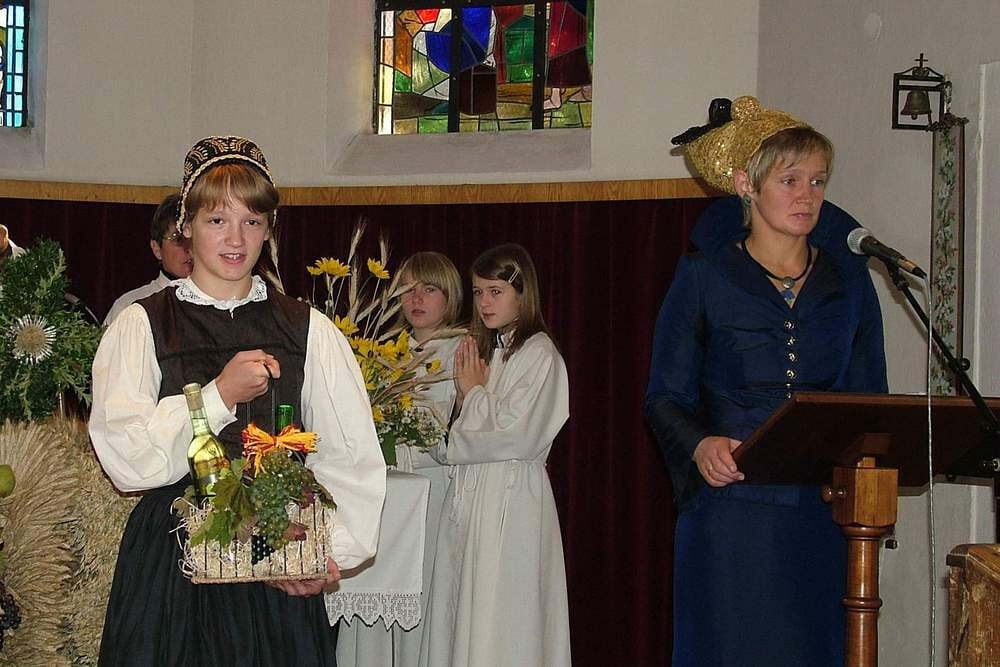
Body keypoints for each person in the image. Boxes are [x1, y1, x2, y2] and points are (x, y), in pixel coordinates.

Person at [89, 136, 386, 666]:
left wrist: (323, 553)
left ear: (269, 228)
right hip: (175, 569)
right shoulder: (142, 325)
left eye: (252, 221)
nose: (235, 239)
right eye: (216, 220)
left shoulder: (307, 329)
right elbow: (128, 462)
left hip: (276, 557)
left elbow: (351, 456)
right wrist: (218, 395)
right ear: (185, 225)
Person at [646, 97, 888, 666]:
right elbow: (664, 397)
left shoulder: (850, 282)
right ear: (745, 186)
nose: (807, 196)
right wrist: (700, 445)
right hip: (731, 509)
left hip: (823, 513)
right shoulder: (703, 276)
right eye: (790, 180)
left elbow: (869, 399)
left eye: (817, 181)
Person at [421, 244, 571, 667]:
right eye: (478, 292)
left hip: (510, 496)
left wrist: (473, 393)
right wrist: (463, 401)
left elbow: (513, 436)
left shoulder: (540, 354)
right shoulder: (491, 350)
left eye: (495, 292)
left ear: (523, 294)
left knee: (503, 612)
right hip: (474, 496)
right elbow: (457, 435)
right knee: (464, 606)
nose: (484, 303)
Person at [104, 193, 193, 324]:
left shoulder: (221, 301)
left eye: (195, 238)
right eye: (178, 239)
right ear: (156, 249)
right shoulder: (129, 306)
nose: (189, 248)